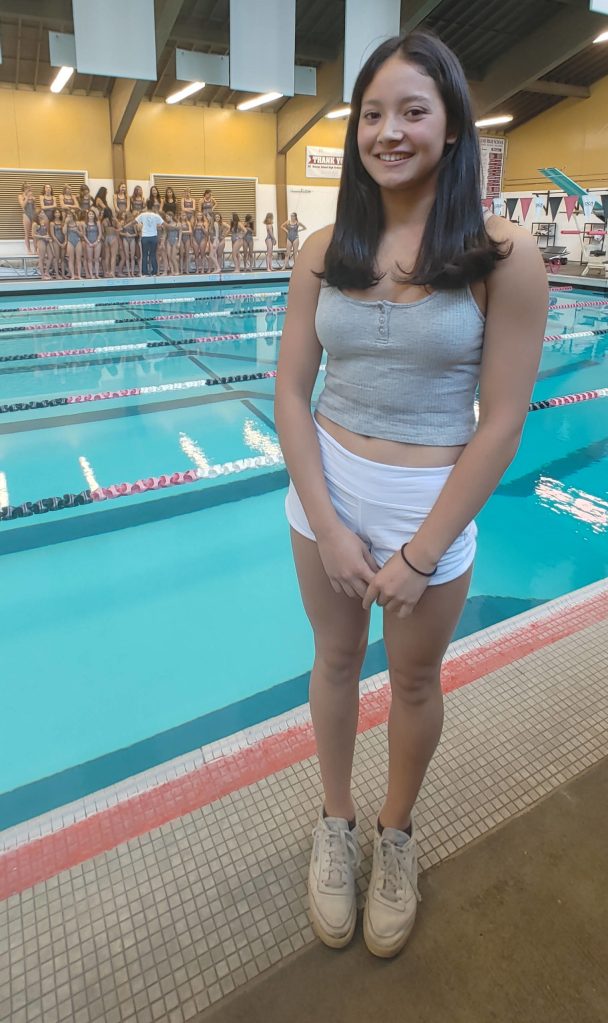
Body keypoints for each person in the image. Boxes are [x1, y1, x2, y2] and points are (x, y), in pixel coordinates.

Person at [274, 30, 547, 959]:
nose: (389, 131)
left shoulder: (504, 255)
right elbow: (290, 393)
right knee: (335, 661)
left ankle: (394, 835)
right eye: (373, 114)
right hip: (326, 493)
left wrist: (423, 551)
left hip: (434, 503)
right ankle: (336, 821)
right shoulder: (324, 248)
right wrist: (325, 522)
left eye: (413, 111)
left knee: (417, 680)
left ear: (453, 124)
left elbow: (501, 422)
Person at [136, 201, 164, 276]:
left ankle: (145, 272)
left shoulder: (142, 215)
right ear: (153, 207)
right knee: (153, 255)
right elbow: (163, 224)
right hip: (153, 237)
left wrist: (125, 226)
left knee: (144, 255)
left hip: (145, 237)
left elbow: (134, 222)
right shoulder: (156, 215)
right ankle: (154, 272)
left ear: (146, 206)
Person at [64, 211, 83, 280]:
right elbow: (64, 232)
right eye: (68, 216)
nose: (69, 217)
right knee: (71, 259)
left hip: (77, 241)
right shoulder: (66, 224)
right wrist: (65, 223)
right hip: (70, 241)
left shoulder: (77, 223)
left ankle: (79, 275)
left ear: (73, 216)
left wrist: (76, 231)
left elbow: (82, 234)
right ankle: (72, 275)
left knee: (78, 259)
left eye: (70, 216)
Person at [83, 209, 102, 278]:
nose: (91, 215)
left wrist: (97, 241)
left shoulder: (97, 223)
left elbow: (100, 233)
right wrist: (89, 243)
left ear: (94, 215)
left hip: (97, 242)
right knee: (90, 259)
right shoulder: (85, 224)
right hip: (89, 243)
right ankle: (91, 274)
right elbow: (84, 235)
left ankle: (97, 274)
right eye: (90, 214)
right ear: (87, 215)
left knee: (96, 259)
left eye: (92, 214)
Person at [18, 183, 36, 253]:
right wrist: (27, 197)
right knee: (27, 234)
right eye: (29, 187)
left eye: (30, 187)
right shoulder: (20, 196)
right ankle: (29, 250)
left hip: (33, 214)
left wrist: (34, 201)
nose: (30, 189)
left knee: (34, 233)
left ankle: (35, 249)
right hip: (26, 214)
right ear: (24, 188)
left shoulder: (32, 195)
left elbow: (34, 207)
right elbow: (22, 206)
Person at [49, 208, 67, 279]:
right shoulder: (52, 223)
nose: (57, 214)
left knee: (62, 258)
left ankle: (63, 274)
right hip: (56, 242)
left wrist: (65, 242)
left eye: (58, 212)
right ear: (54, 214)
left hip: (63, 241)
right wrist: (59, 243)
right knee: (56, 258)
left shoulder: (63, 222)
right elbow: (53, 235)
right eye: (56, 212)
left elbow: (65, 233)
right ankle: (57, 274)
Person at [33, 212, 51, 280]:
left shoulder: (45, 222)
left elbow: (47, 231)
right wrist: (43, 237)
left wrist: (48, 237)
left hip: (46, 240)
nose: (43, 214)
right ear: (38, 214)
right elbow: (33, 235)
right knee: (41, 258)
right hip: (41, 241)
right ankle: (42, 276)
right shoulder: (35, 224)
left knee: (51, 256)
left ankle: (46, 272)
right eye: (42, 213)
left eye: (44, 213)